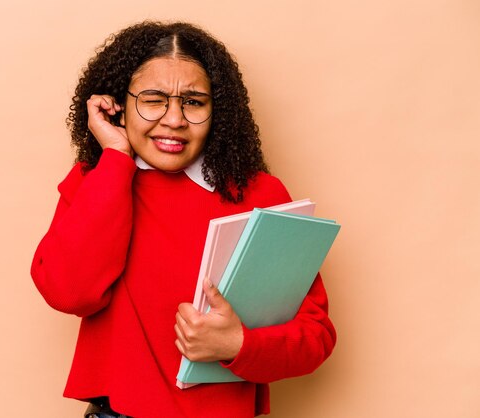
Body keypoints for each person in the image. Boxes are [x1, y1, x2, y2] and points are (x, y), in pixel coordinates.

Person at [31, 21, 336, 418]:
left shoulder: (260, 196)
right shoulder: (96, 183)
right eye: (153, 100)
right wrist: (116, 160)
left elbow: (315, 336)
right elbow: (69, 292)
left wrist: (238, 345)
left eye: (193, 102)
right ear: (119, 106)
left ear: (217, 111)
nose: (174, 119)